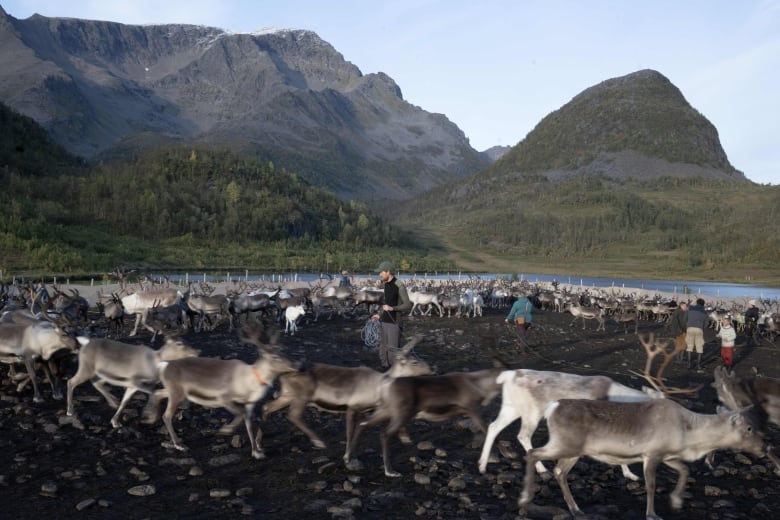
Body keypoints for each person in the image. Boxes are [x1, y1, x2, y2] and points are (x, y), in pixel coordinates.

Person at [371, 261, 412, 367]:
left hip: (394, 323)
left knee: (392, 355)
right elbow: (386, 304)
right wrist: (379, 315)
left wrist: (392, 308)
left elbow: (408, 305)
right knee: (382, 351)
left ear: (388, 272)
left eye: (381, 272)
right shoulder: (385, 284)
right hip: (383, 322)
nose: (379, 274)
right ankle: (384, 371)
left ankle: (395, 376)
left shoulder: (399, 285)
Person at [685, 297, 708, 371]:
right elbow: (706, 323)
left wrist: (687, 325)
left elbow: (685, 318)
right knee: (699, 347)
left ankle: (688, 364)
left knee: (689, 346)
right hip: (699, 329)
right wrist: (703, 330)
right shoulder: (704, 312)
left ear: (697, 303)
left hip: (689, 328)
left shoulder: (690, 308)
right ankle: (698, 365)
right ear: (703, 305)